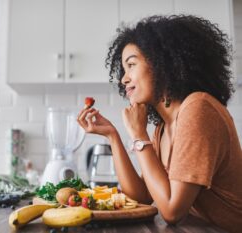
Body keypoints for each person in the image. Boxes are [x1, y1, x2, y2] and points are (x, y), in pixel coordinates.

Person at [77, 15, 242, 233]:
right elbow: (142, 196)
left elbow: (172, 212)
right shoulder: (163, 127)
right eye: (123, 70)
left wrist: (138, 135)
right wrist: (112, 135)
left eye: (132, 65)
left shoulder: (198, 109)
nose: (123, 79)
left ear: (164, 63)